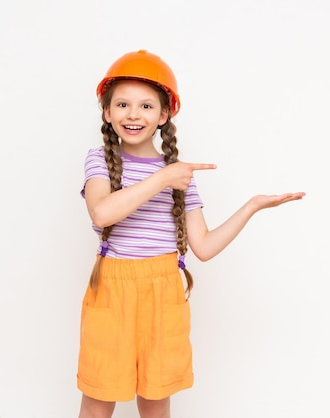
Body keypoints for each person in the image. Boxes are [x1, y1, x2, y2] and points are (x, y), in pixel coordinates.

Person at [77, 49, 305, 418]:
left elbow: (203, 247)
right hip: (112, 290)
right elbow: (102, 213)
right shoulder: (100, 160)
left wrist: (250, 207)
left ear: (165, 114)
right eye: (122, 104)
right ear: (107, 112)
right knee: (99, 400)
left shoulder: (180, 175)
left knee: (156, 402)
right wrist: (164, 177)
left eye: (147, 106)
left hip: (164, 289)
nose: (133, 114)